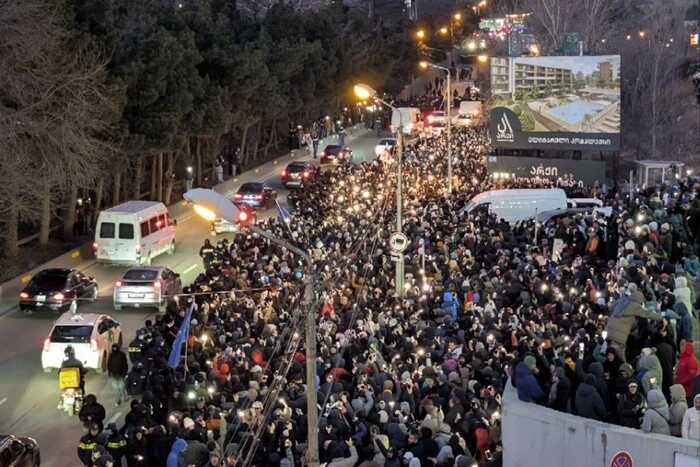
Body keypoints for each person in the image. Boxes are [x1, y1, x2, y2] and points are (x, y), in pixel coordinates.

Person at [605, 291, 663, 361]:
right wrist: (661, 318)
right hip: (619, 336)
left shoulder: (622, 300)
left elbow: (610, 308)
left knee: (609, 353)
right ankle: (623, 368)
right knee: (620, 357)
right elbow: (647, 314)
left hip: (609, 330)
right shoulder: (635, 305)